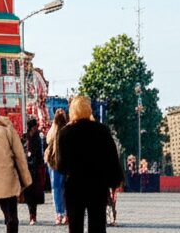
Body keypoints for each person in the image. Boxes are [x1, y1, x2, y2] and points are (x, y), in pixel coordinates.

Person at [56, 96, 124, 233]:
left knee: (75, 226)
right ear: (89, 110)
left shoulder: (65, 133)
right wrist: (115, 180)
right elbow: (112, 159)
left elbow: (61, 165)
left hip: (74, 186)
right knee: (98, 225)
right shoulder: (102, 131)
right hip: (97, 185)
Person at [44, 110, 68, 226]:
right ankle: (67, 213)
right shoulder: (67, 131)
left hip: (53, 163)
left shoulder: (52, 132)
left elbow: (47, 142)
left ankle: (59, 213)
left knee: (56, 189)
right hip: (66, 163)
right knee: (66, 189)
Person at [23, 118, 46, 225]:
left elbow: (39, 155)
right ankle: (31, 215)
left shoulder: (38, 138)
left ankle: (33, 215)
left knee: (33, 193)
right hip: (27, 169)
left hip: (35, 169)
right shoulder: (25, 137)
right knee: (28, 194)